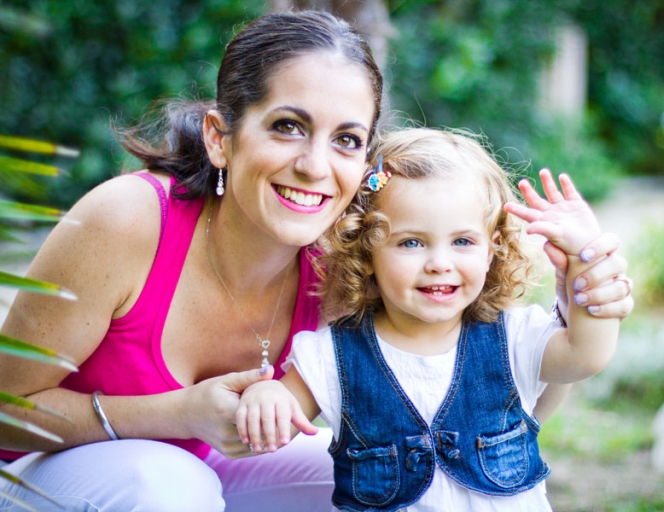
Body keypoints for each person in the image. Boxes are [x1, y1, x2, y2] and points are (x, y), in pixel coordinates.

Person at [0, 11, 631, 512]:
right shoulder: (129, 221)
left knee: (395, 475)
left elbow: (490, 395)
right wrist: (177, 413)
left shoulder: (347, 262)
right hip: (38, 475)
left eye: (346, 139)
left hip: (206, 468)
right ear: (221, 137)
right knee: (164, 486)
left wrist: (580, 301)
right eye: (287, 126)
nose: (314, 166)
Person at [236, 127, 621, 511]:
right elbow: (279, 420)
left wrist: (586, 269)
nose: (439, 263)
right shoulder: (333, 356)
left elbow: (585, 356)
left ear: (491, 250)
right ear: (367, 254)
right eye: (412, 242)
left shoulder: (513, 336)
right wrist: (267, 398)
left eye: (462, 241)